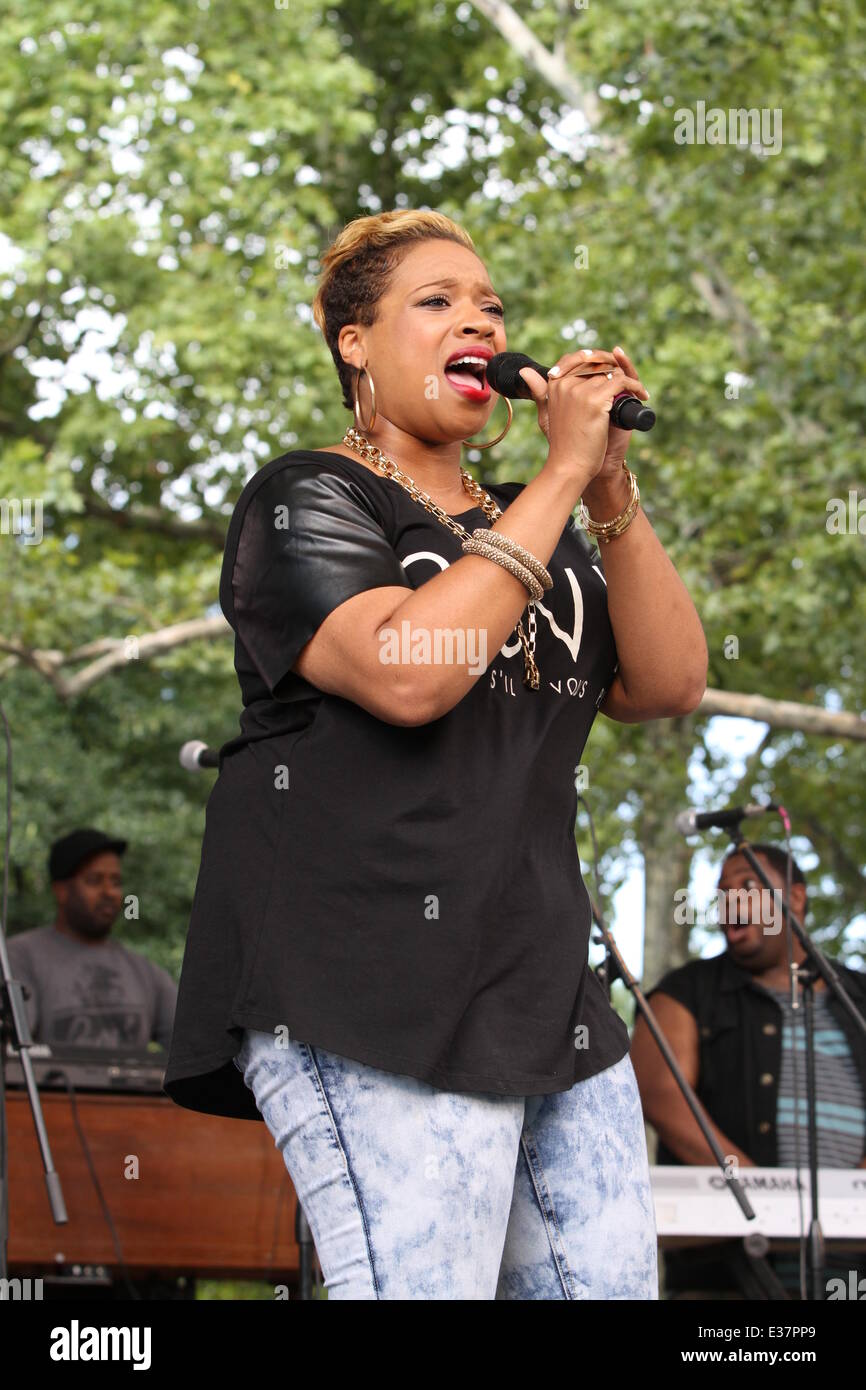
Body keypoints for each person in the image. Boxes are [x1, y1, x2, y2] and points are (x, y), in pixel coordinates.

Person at [163, 208, 708, 1300]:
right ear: (349, 338)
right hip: (366, 983)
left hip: (541, 991)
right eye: (438, 300)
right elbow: (413, 673)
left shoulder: (536, 514)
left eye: (492, 305)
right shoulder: (307, 496)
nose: (479, 319)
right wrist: (557, 479)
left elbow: (666, 682)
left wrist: (604, 491)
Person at [631, 843, 866, 1297]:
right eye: (721, 892)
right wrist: (756, 1187)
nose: (729, 901)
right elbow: (659, 1093)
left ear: (794, 899)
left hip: (851, 1269)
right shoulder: (688, 991)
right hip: (727, 1272)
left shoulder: (857, 994)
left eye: (748, 885)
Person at [8, 828, 177, 1052]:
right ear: (61, 891)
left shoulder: (143, 970)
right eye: (94, 880)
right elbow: (15, 1045)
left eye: (116, 882)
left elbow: (192, 1043)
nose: (109, 892)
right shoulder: (21, 955)